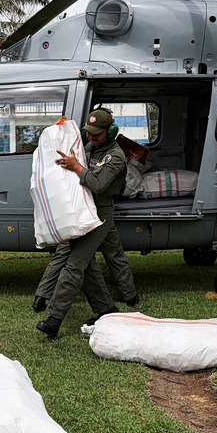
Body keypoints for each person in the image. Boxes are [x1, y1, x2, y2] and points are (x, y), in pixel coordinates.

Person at [36, 109, 136, 338]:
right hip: (82, 210)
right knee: (87, 265)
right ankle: (106, 310)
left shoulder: (115, 156)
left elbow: (98, 183)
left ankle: (54, 319)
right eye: (89, 134)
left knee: (74, 265)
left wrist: (76, 166)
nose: (91, 138)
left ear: (110, 132)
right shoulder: (90, 148)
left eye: (97, 134)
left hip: (100, 215)